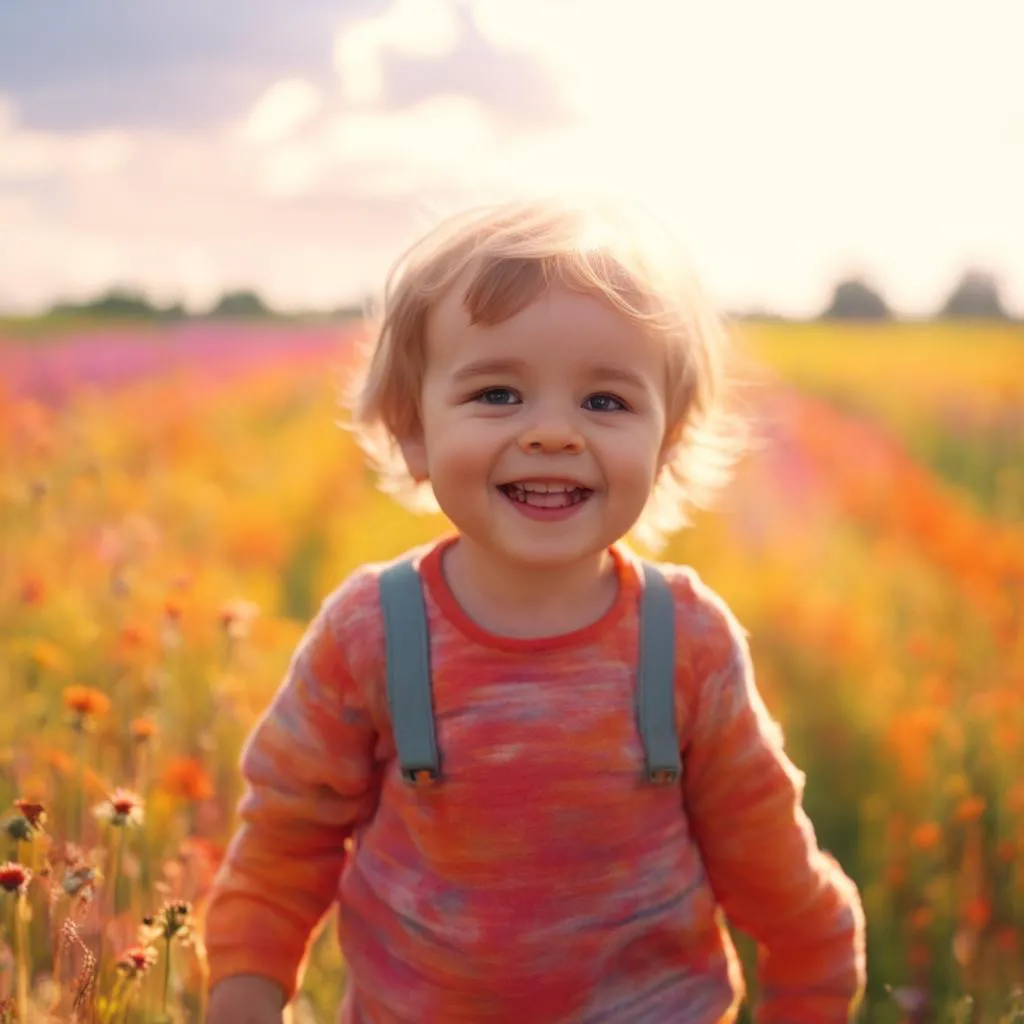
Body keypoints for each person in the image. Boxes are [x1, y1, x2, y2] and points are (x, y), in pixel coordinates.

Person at [204, 197, 866, 1023]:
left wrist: (811, 990)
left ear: (664, 448)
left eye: (605, 403)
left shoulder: (685, 642)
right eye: (498, 394)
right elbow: (282, 851)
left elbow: (777, 877)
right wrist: (243, 996)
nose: (553, 432)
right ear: (414, 431)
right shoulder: (370, 634)